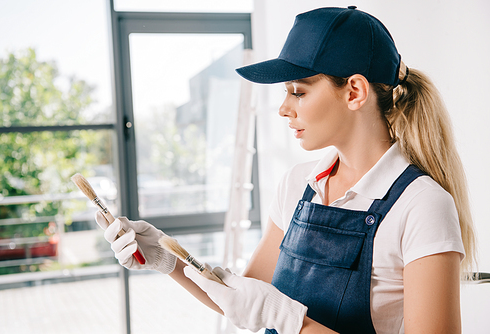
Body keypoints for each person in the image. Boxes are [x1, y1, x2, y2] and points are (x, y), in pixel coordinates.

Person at [95, 6, 477, 334]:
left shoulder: (422, 205)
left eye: (299, 91)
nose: (283, 108)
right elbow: (243, 299)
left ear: (354, 92)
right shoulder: (298, 185)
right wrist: (167, 259)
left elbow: (272, 310)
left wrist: (293, 321)